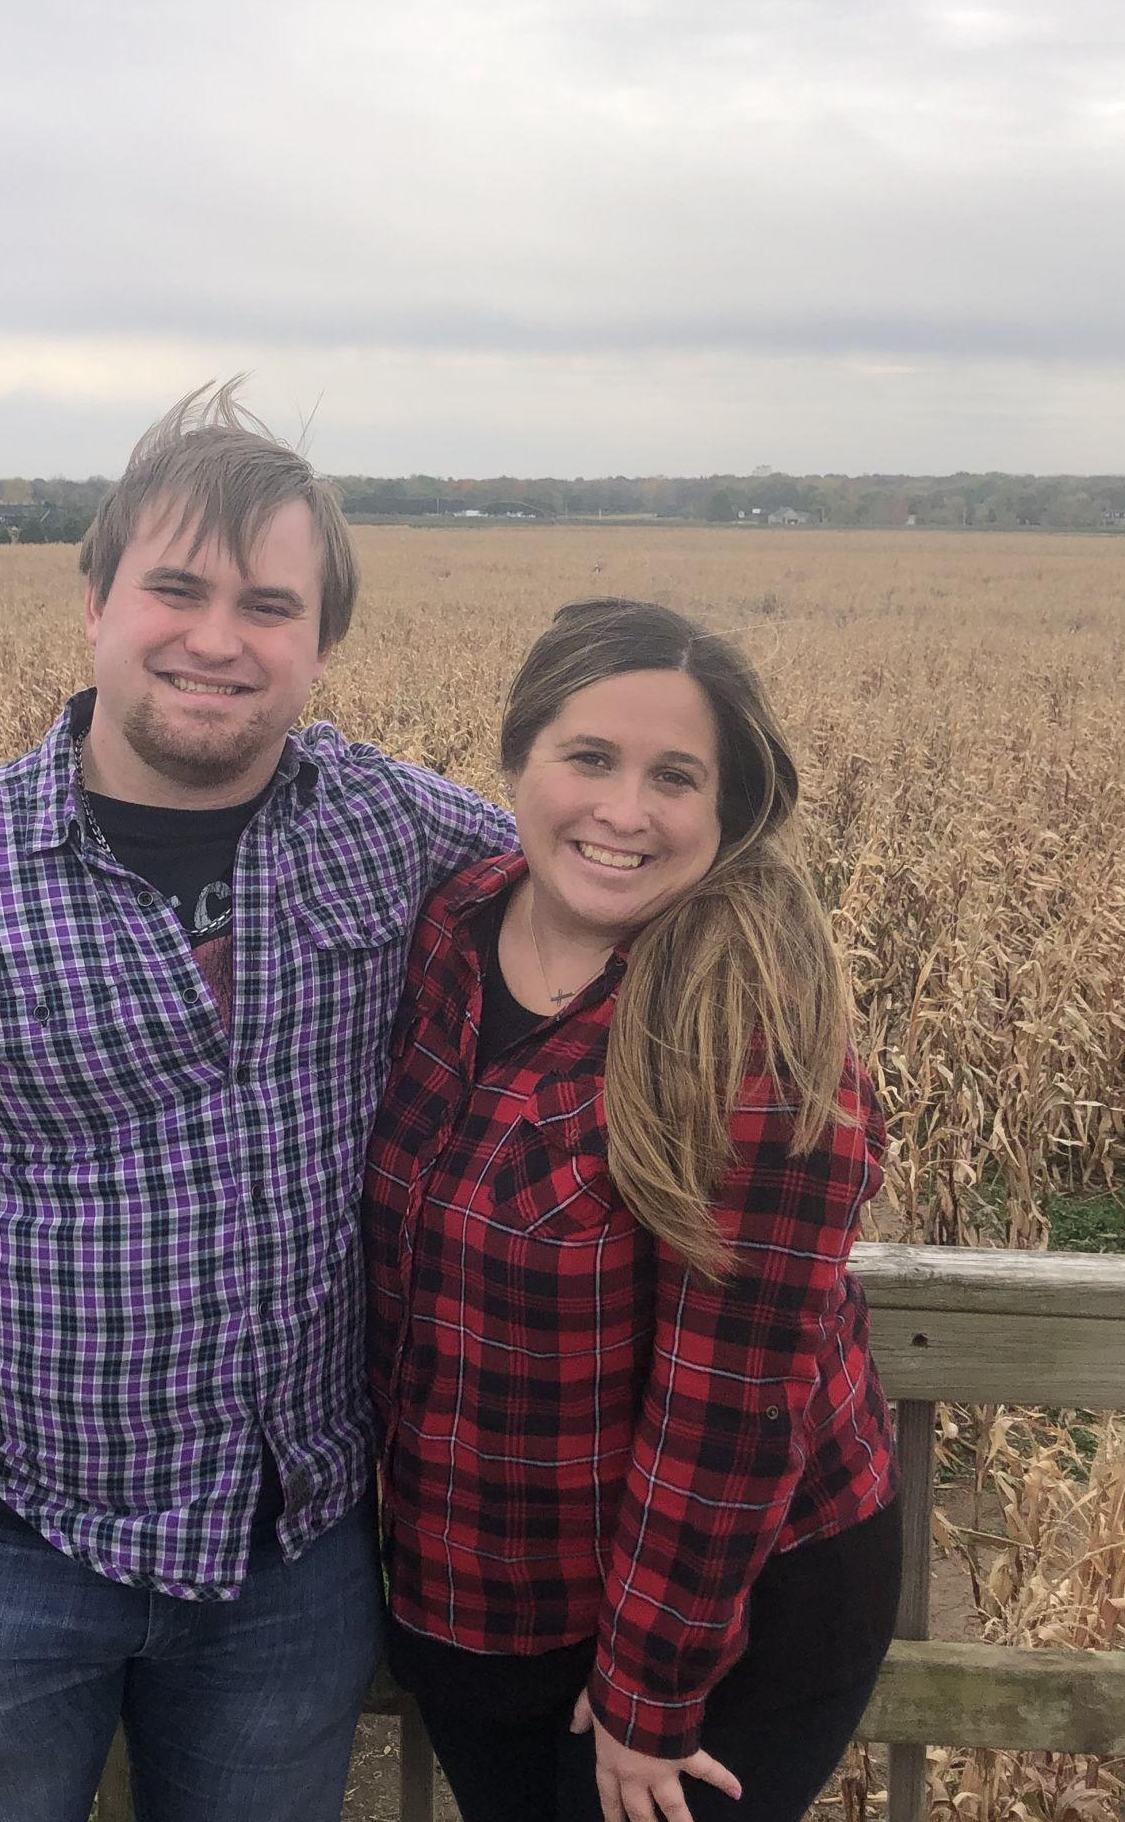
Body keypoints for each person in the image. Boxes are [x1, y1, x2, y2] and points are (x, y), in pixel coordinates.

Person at [0, 381, 512, 1822]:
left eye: (268, 606)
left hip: (292, 1555)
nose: (219, 638)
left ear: (320, 641)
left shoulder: (396, 828)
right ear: (95, 602)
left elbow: (608, 878)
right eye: (176, 589)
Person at [365, 599, 901, 1822]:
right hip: (479, 1584)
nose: (623, 810)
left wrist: (649, 1689)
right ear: (517, 758)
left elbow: (730, 1401)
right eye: (590, 757)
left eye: (674, 776)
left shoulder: (746, 1028)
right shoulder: (449, 925)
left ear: (725, 808)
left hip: (720, 1613)